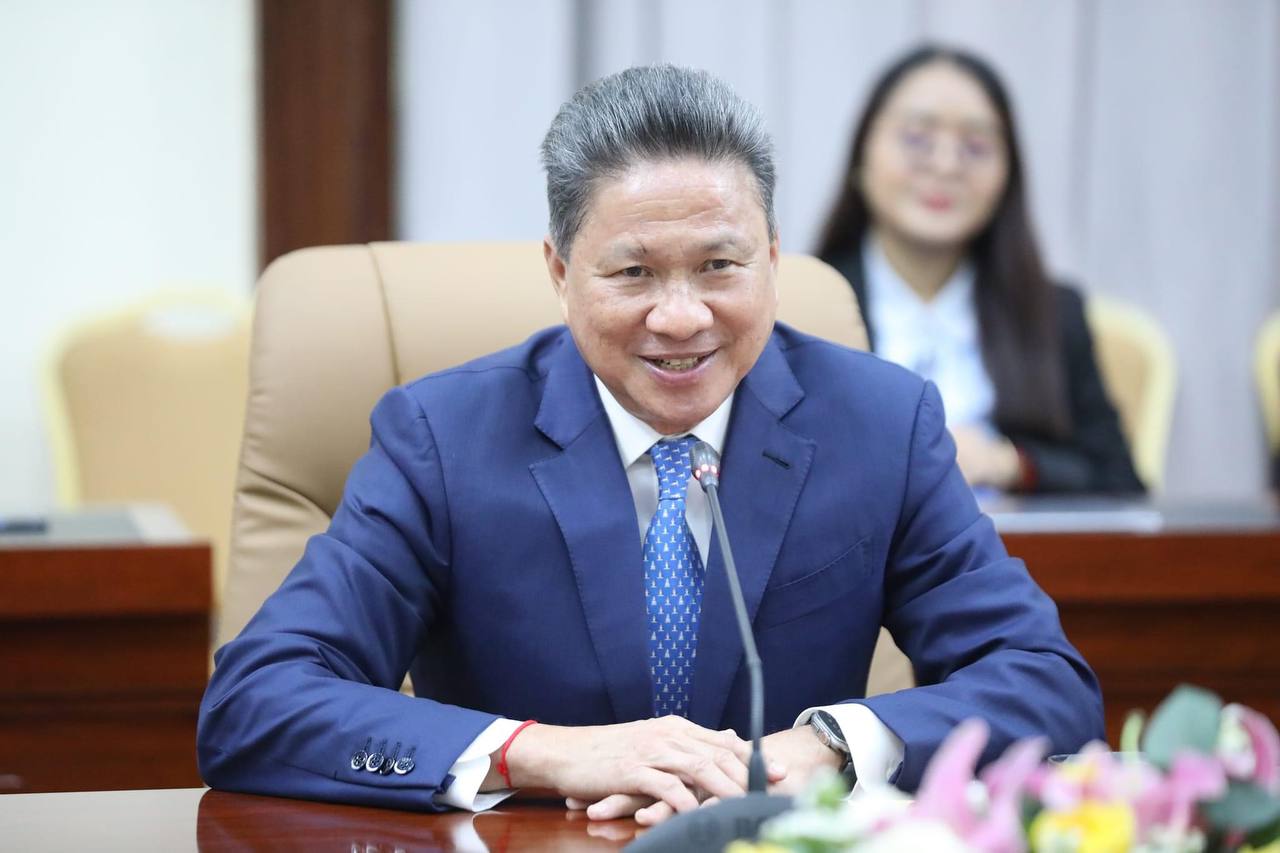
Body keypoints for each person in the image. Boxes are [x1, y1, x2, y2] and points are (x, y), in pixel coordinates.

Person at [198, 64, 1102, 825]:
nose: (680, 317)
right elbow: (255, 701)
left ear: (773, 258)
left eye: (719, 266)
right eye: (633, 272)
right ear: (560, 271)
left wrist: (829, 746)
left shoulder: (880, 424)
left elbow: (1046, 684)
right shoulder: (442, 438)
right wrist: (539, 752)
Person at [817, 45, 1145, 495]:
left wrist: (1009, 463)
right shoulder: (802, 304)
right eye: (916, 138)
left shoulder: (1052, 313)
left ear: (1008, 174)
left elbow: (1122, 486)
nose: (946, 165)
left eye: (975, 147)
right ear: (861, 156)